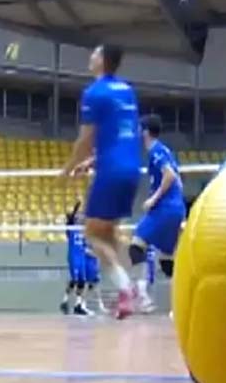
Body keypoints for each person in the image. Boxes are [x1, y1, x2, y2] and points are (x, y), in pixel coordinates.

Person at [61, 43, 141, 319]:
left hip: (111, 171)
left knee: (92, 233)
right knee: (110, 235)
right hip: (131, 168)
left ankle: (126, 288)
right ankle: (133, 290)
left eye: (94, 53)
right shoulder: (127, 91)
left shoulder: (94, 93)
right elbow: (122, 134)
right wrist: (92, 162)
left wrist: (68, 168)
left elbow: (85, 139)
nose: (90, 56)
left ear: (103, 60)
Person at [129, 114, 187, 313]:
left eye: (139, 128)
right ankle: (179, 306)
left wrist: (153, 199)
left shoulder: (156, 150)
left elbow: (170, 175)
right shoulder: (165, 150)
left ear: (145, 132)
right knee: (166, 260)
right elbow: (179, 181)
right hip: (176, 208)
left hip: (164, 208)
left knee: (136, 246)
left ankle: (143, 296)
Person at [61, 201, 91, 316]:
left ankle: (78, 305)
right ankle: (65, 300)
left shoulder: (84, 231)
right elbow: (70, 219)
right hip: (73, 256)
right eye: (78, 216)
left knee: (82, 281)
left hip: (82, 257)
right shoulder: (71, 229)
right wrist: (75, 208)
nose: (80, 218)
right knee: (74, 280)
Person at [83, 245, 106, 314]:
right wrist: (96, 254)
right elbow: (86, 251)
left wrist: (97, 266)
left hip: (94, 267)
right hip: (88, 266)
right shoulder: (86, 241)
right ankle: (83, 305)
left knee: (97, 286)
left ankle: (101, 305)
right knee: (87, 285)